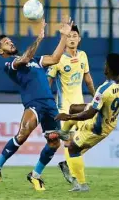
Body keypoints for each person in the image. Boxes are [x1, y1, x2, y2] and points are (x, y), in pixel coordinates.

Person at [0, 18, 73, 191]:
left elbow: (56, 58)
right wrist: (40, 37)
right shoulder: (10, 64)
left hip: (50, 104)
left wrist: (64, 36)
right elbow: (26, 57)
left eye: (10, 40)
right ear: (0, 51)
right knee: (23, 133)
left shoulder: (36, 60)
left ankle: (35, 175)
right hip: (34, 104)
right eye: (6, 43)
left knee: (54, 143)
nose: (10, 42)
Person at [56, 53, 119, 191]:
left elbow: (88, 115)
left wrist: (67, 117)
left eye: (105, 64)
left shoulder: (103, 90)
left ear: (109, 69)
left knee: (73, 148)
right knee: (73, 108)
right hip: (107, 116)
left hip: (98, 127)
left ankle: (82, 185)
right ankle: (64, 133)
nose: (104, 66)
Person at [47, 24, 95, 185]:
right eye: (69, 36)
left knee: (87, 139)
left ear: (79, 39)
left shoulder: (83, 56)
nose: (72, 38)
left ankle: (67, 165)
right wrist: (46, 103)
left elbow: (87, 79)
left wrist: (96, 98)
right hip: (64, 109)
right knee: (71, 142)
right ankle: (76, 179)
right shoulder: (58, 58)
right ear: (64, 39)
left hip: (80, 108)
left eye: (75, 36)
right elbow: (48, 82)